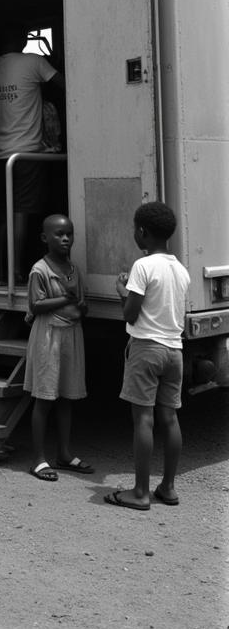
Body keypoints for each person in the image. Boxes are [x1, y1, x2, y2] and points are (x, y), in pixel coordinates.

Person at [107, 203, 190, 511]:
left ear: (141, 232)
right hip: (174, 351)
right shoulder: (180, 269)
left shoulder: (143, 266)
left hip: (146, 349)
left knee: (143, 418)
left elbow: (131, 312)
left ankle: (140, 492)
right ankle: (167, 487)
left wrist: (121, 290)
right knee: (169, 419)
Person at [0, 25, 65, 281]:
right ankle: (16, 271)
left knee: (4, 216)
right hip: (26, 154)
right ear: (23, 40)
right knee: (21, 214)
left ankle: (2, 270)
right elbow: (65, 85)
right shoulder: (34, 62)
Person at [24, 215, 91, 482]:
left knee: (67, 397)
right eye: (59, 234)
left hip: (71, 334)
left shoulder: (74, 269)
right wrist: (66, 298)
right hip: (48, 336)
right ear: (45, 238)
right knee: (44, 398)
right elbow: (35, 306)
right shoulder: (40, 270)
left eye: (69, 234)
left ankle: (64, 453)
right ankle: (38, 459)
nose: (65, 239)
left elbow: (82, 303)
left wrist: (79, 306)